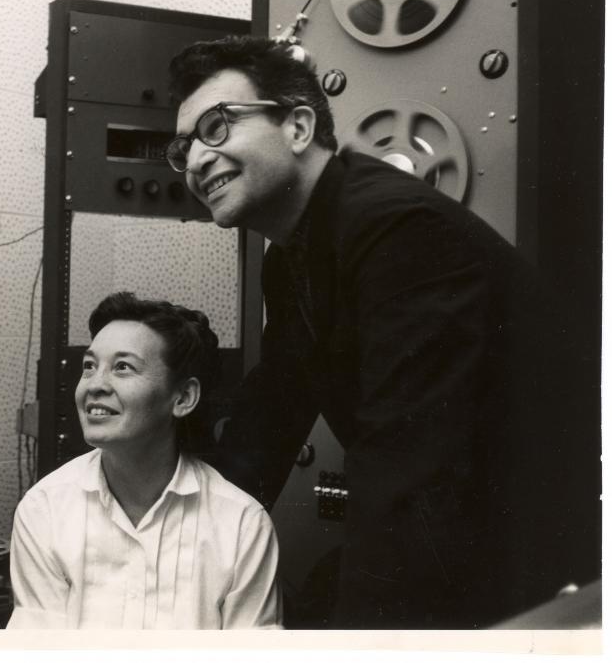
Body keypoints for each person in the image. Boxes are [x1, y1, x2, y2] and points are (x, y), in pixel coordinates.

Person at [166, 34, 595, 629]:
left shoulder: (397, 229)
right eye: (183, 148)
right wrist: (176, 547)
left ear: (297, 127)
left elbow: (407, 472)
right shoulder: (291, 257)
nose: (195, 161)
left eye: (217, 127)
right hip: (464, 539)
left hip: (549, 563)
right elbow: (268, 421)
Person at [8, 292, 282, 629]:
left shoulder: (242, 525)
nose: (94, 385)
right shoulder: (44, 509)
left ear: (183, 397)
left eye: (122, 367)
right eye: (89, 366)